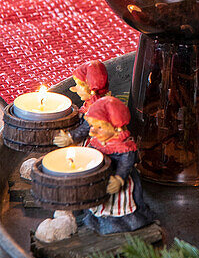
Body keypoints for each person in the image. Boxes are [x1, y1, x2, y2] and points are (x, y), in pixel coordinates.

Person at [81, 96, 154, 234]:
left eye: (99, 127)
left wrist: (119, 178)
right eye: (91, 126)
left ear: (117, 128)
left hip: (118, 182)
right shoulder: (98, 141)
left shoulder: (124, 147)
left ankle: (121, 222)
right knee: (101, 203)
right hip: (101, 180)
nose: (92, 132)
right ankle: (99, 219)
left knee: (116, 202)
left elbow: (126, 164)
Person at [53, 60, 110, 147]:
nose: (74, 89)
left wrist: (70, 137)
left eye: (78, 85)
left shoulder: (97, 108)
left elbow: (87, 127)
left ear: (89, 87)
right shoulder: (91, 103)